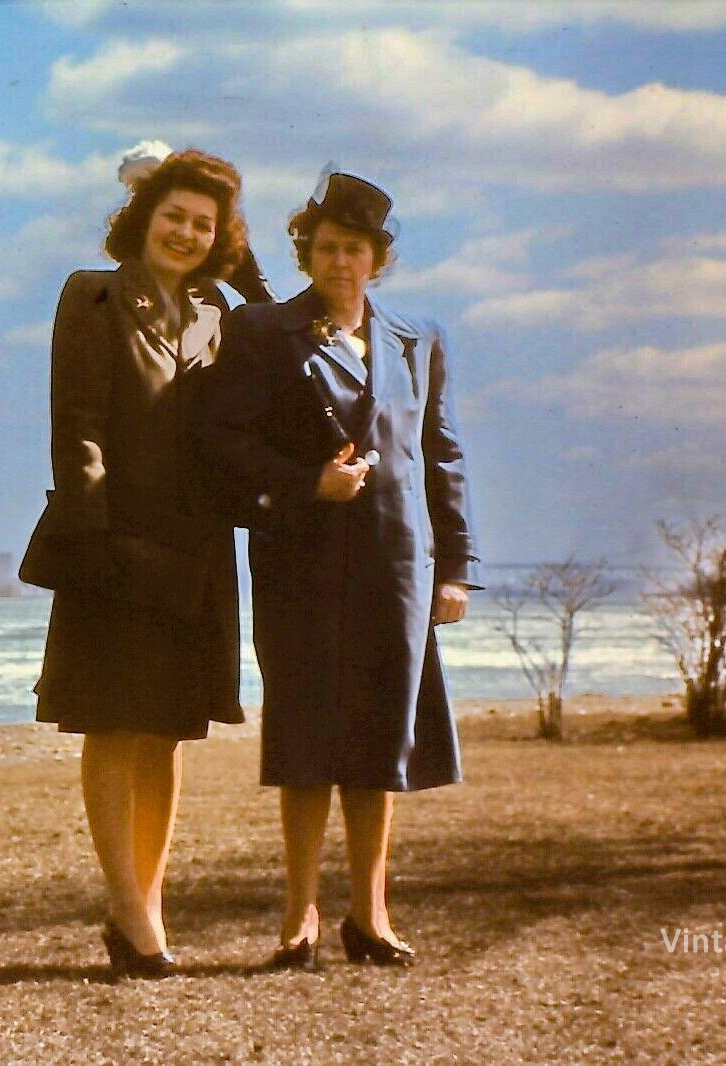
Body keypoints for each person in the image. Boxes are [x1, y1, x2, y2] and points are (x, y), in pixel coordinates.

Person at [194, 169, 481, 971]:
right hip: (299, 562)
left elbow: (441, 456)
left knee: (381, 741)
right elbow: (226, 442)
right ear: (306, 252)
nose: (339, 262)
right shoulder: (260, 330)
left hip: (398, 565)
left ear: (378, 259)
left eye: (355, 249)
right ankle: (299, 917)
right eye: (325, 248)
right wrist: (305, 483)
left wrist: (454, 567)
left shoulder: (418, 337)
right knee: (306, 739)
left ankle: (372, 916)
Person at [20, 147, 267, 979]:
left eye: (205, 224)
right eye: (175, 215)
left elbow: (275, 332)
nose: (187, 233)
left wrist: (245, 257)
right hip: (112, 543)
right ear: (142, 213)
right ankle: (129, 910)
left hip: (196, 550)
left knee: (165, 731)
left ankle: (144, 912)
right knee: (113, 724)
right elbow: (76, 425)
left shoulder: (217, 310)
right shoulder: (89, 293)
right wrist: (93, 546)